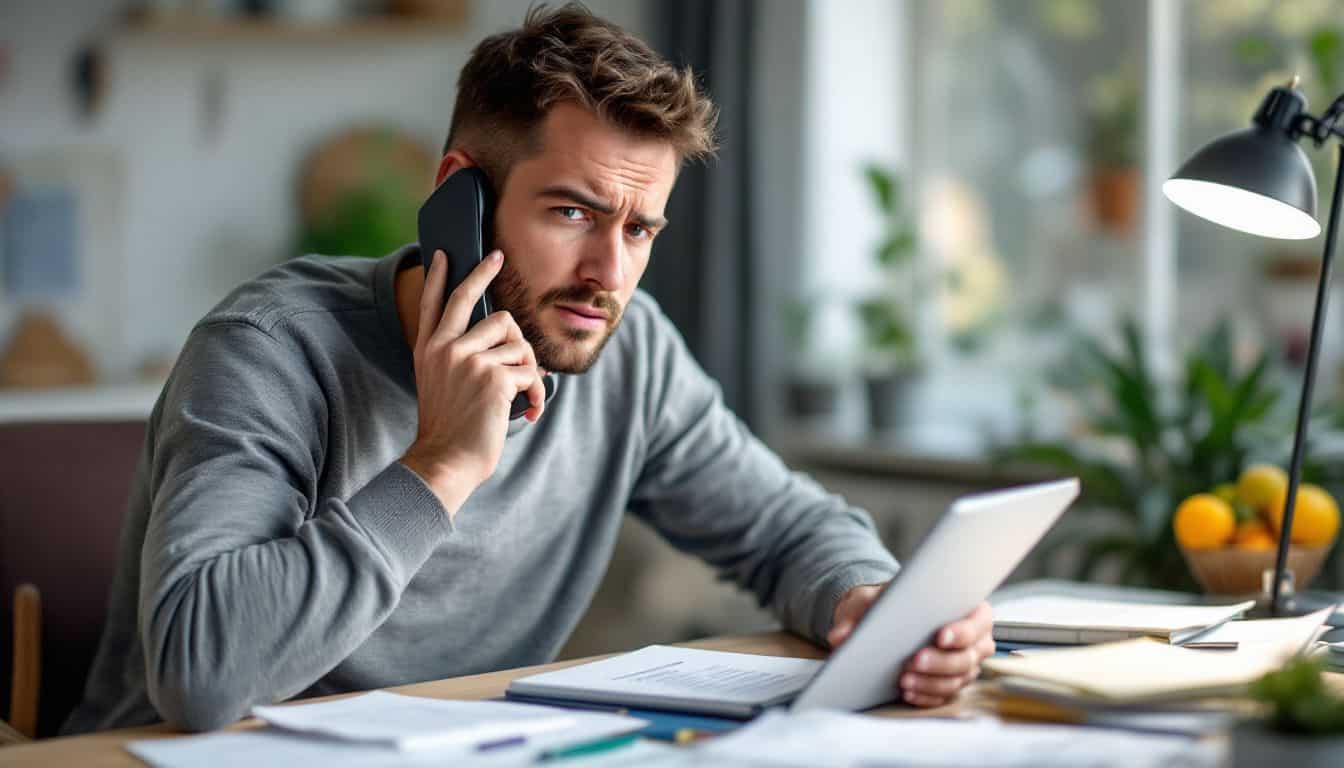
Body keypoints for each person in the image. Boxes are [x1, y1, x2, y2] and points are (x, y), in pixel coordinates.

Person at [63, 4, 993, 735]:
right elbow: (199, 676)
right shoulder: (270, 347)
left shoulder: (630, 352)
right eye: (573, 213)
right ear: (459, 197)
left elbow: (785, 527)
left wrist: (869, 600)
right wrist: (438, 466)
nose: (609, 274)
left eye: (640, 229)